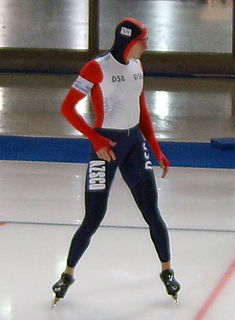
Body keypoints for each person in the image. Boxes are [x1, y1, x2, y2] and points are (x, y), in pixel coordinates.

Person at [52, 17, 180, 306]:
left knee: (152, 211)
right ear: (128, 42)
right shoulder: (96, 68)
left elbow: (141, 109)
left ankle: (167, 270)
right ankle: (67, 273)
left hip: (134, 144)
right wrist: (94, 139)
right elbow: (67, 107)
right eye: (142, 42)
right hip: (106, 146)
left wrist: (155, 148)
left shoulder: (137, 67)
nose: (145, 47)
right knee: (94, 217)